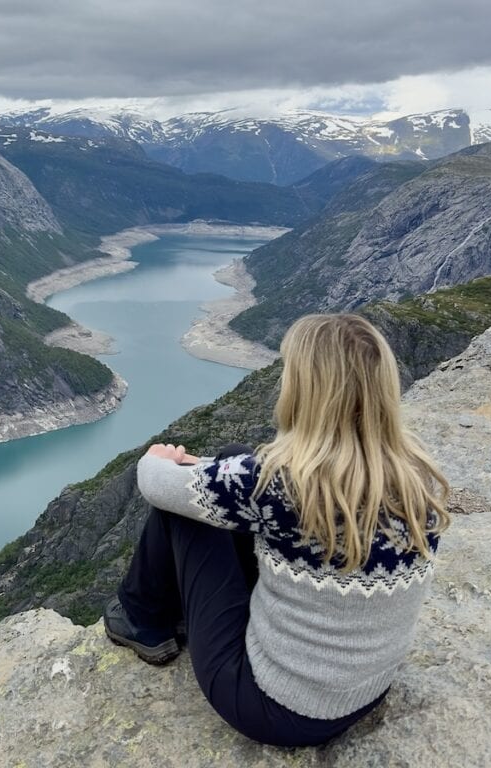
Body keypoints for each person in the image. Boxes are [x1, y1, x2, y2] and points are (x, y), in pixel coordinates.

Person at [103, 313, 449, 747]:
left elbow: (153, 483)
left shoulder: (280, 483)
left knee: (184, 511)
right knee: (231, 457)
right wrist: (212, 470)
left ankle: (142, 620)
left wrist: (163, 456)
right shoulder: (421, 477)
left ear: (307, 390)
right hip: (364, 693)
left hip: (271, 707)